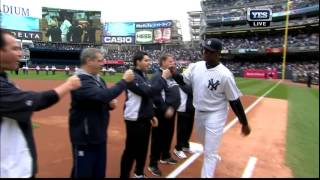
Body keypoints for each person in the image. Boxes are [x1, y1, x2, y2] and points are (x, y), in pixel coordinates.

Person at [0, 30, 81, 178]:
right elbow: (35, 101)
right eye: (15, 48)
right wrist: (68, 85)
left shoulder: (5, 79)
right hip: (10, 171)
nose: (20, 54)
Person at [169, 38, 251, 178]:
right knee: (204, 143)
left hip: (216, 114)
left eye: (209, 51)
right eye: (204, 49)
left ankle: (210, 162)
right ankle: (211, 152)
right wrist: (175, 73)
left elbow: (234, 101)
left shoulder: (225, 75)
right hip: (199, 112)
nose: (205, 52)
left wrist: (244, 122)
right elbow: (184, 80)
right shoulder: (196, 66)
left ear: (218, 54)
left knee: (210, 153)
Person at [69, 48, 134, 178]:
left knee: (98, 172)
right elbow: (102, 96)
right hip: (85, 137)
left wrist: (109, 105)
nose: (103, 63)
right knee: (83, 173)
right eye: (100, 60)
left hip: (98, 134)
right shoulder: (79, 80)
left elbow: (101, 99)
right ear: (89, 61)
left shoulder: (99, 79)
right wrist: (124, 81)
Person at [120, 51, 171, 178]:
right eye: (146, 60)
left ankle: (139, 173)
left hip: (144, 118)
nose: (149, 63)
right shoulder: (132, 76)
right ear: (138, 62)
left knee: (142, 149)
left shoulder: (143, 75)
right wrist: (163, 78)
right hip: (134, 119)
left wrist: (151, 115)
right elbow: (149, 92)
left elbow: (148, 99)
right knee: (130, 151)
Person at [148, 54, 180, 177]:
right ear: (163, 63)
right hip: (162, 113)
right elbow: (155, 95)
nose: (173, 62)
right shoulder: (158, 76)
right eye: (170, 61)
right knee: (157, 139)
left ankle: (165, 156)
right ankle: (153, 164)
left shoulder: (171, 76)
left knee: (168, 135)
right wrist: (165, 108)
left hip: (171, 112)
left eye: (173, 60)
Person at [174, 80, 195, 159]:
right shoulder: (182, 82)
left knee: (189, 128)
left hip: (191, 109)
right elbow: (191, 91)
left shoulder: (191, 83)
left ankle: (185, 145)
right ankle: (178, 148)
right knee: (182, 129)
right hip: (183, 109)